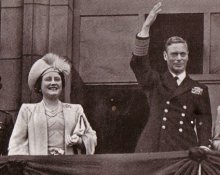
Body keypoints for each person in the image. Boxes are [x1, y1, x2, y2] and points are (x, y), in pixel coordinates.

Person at [130, 2, 212, 152]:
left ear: (188, 56)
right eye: (174, 54)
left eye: (183, 54)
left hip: (184, 149)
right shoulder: (155, 81)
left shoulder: (199, 89)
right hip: (153, 147)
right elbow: (139, 65)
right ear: (165, 56)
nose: (179, 58)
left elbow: (204, 120)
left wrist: (204, 146)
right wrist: (145, 28)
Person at [8, 53, 97, 155]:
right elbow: (16, 145)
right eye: (48, 79)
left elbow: (92, 138)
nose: (53, 83)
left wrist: (79, 141)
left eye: (57, 79)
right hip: (38, 168)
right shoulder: (27, 111)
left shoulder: (76, 110)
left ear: (62, 84)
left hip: (68, 166)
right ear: (39, 86)